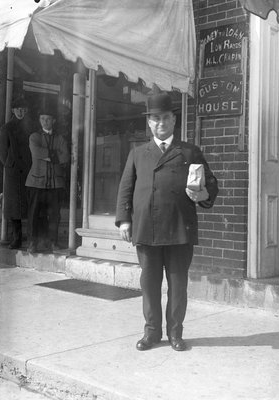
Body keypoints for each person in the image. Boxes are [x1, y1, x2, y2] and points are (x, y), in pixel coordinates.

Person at [115, 92, 218, 351]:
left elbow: (211, 186)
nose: (160, 123)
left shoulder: (190, 151)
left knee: (178, 285)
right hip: (146, 228)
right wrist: (124, 221)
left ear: (174, 120)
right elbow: (125, 189)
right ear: (149, 123)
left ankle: (175, 334)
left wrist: (203, 194)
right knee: (149, 284)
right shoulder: (138, 153)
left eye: (166, 118)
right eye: (155, 118)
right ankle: (151, 333)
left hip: (179, 228)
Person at [25, 102, 69, 253]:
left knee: (55, 215)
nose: (45, 121)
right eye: (42, 119)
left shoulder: (60, 138)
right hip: (36, 182)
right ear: (39, 120)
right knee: (34, 214)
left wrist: (48, 155)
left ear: (53, 121)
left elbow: (65, 157)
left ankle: (53, 243)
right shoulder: (34, 137)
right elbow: (36, 153)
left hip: (55, 183)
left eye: (48, 119)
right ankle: (32, 243)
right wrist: (54, 155)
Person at [0, 97, 33, 249]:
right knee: (14, 207)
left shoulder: (29, 127)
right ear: (13, 110)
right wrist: (10, 164)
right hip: (13, 173)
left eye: (23, 109)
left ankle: (30, 238)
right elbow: (1, 151)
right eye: (17, 109)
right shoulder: (7, 128)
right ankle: (16, 238)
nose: (20, 112)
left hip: (28, 170)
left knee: (28, 204)